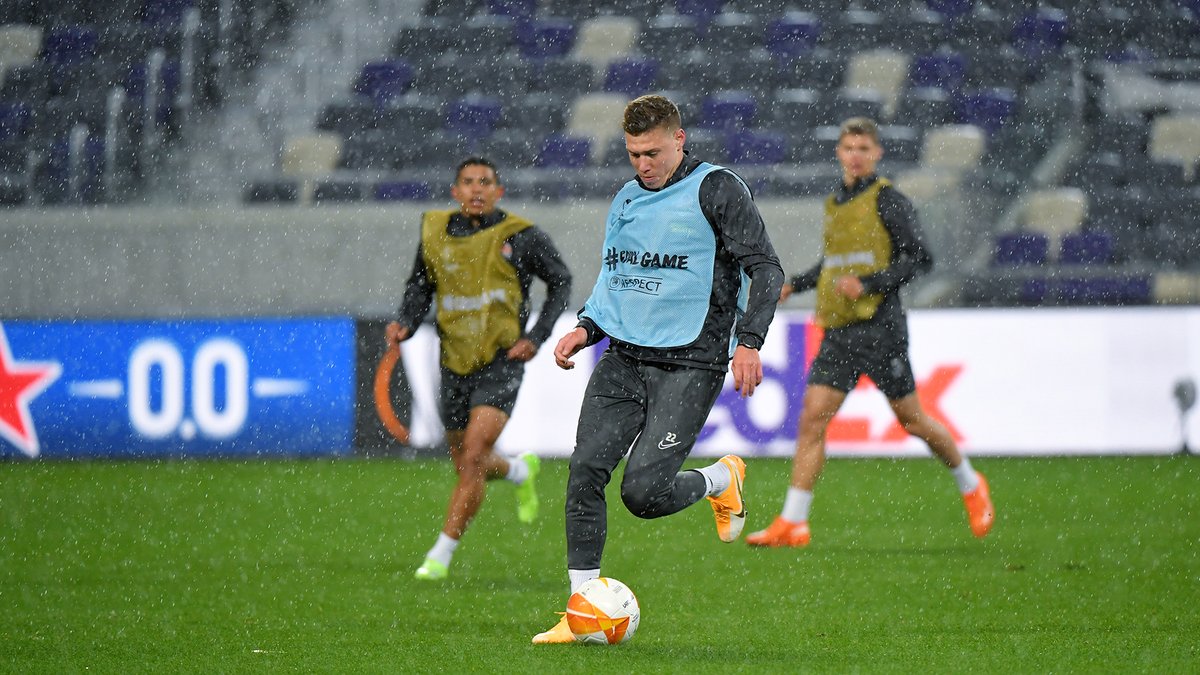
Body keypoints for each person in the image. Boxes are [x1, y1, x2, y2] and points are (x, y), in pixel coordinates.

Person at [532, 94, 785, 644]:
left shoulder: (717, 189)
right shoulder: (626, 198)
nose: (643, 164)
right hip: (624, 357)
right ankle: (580, 610)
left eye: (652, 152)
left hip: (691, 360)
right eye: (633, 154)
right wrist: (586, 327)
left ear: (679, 139)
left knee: (643, 496)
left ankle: (720, 478)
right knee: (584, 472)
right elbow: (615, 276)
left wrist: (749, 341)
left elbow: (766, 268)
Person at [745, 117, 995, 548]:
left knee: (912, 420)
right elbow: (835, 265)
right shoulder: (835, 203)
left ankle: (971, 484)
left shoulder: (889, 200)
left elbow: (920, 258)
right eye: (849, 148)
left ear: (877, 153)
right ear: (839, 153)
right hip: (840, 330)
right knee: (812, 420)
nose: (855, 155)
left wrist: (870, 284)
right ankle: (793, 522)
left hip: (880, 329)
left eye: (863, 148)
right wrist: (795, 285)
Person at [387, 157, 572, 581]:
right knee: (468, 463)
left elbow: (560, 280)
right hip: (453, 360)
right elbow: (421, 283)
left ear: (498, 192)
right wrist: (406, 322)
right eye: (468, 182)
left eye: (485, 182)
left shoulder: (520, 236)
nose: (476, 189)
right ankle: (519, 470)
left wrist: (536, 336)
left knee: (472, 458)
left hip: (501, 360)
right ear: (455, 191)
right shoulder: (435, 232)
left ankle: (439, 556)